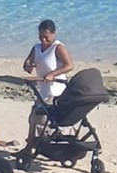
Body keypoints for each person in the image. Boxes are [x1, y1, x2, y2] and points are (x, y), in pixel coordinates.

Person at [19, 19, 75, 156]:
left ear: (54, 34)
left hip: (56, 90)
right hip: (42, 90)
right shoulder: (36, 48)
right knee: (33, 118)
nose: (43, 40)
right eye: (41, 37)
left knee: (42, 119)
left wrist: (53, 74)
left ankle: (34, 146)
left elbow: (69, 65)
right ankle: (29, 146)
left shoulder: (58, 47)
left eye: (46, 37)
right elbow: (28, 64)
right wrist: (28, 66)